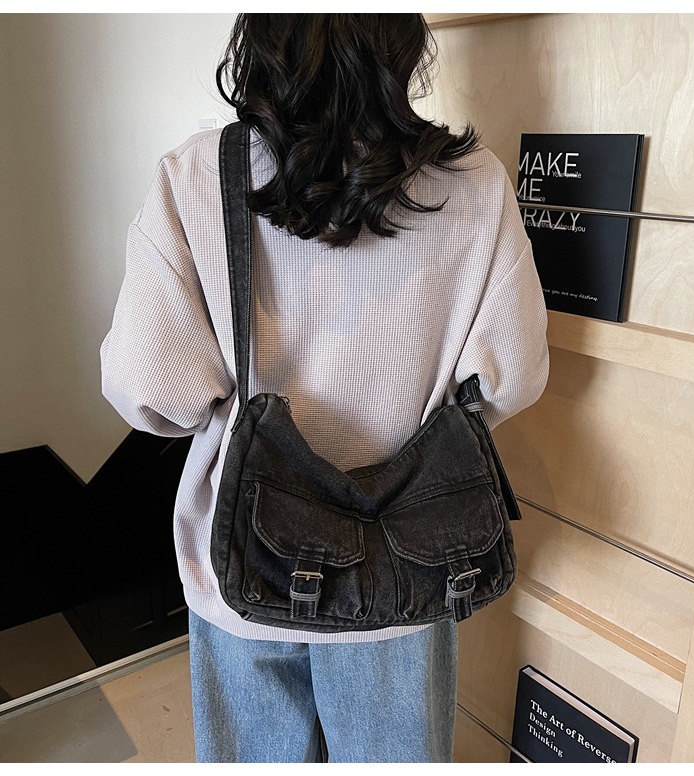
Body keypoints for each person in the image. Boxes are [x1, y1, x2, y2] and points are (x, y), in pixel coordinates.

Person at [100, 13, 549, 763]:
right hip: (406, 571)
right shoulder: (476, 186)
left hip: (243, 565)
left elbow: (147, 388)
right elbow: (514, 377)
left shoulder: (197, 177)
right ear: (401, 38)